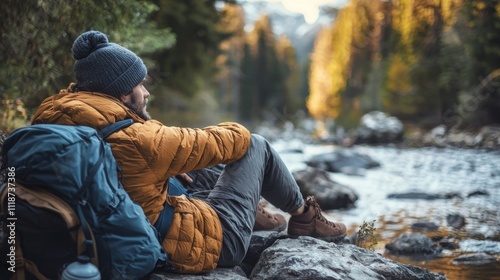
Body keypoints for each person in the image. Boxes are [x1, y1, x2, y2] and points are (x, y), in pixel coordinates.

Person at [31, 30, 347, 274]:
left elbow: (143, 152)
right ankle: (305, 218)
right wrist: (166, 150)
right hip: (207, 243)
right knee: (255, 145)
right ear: (123, 93)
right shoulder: (141, 140)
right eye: (140, 85)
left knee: (194, 169)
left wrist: (167, 160)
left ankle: (254, 211)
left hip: (100, 228)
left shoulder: (53, 116)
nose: (147, 91)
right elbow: (237, 140)